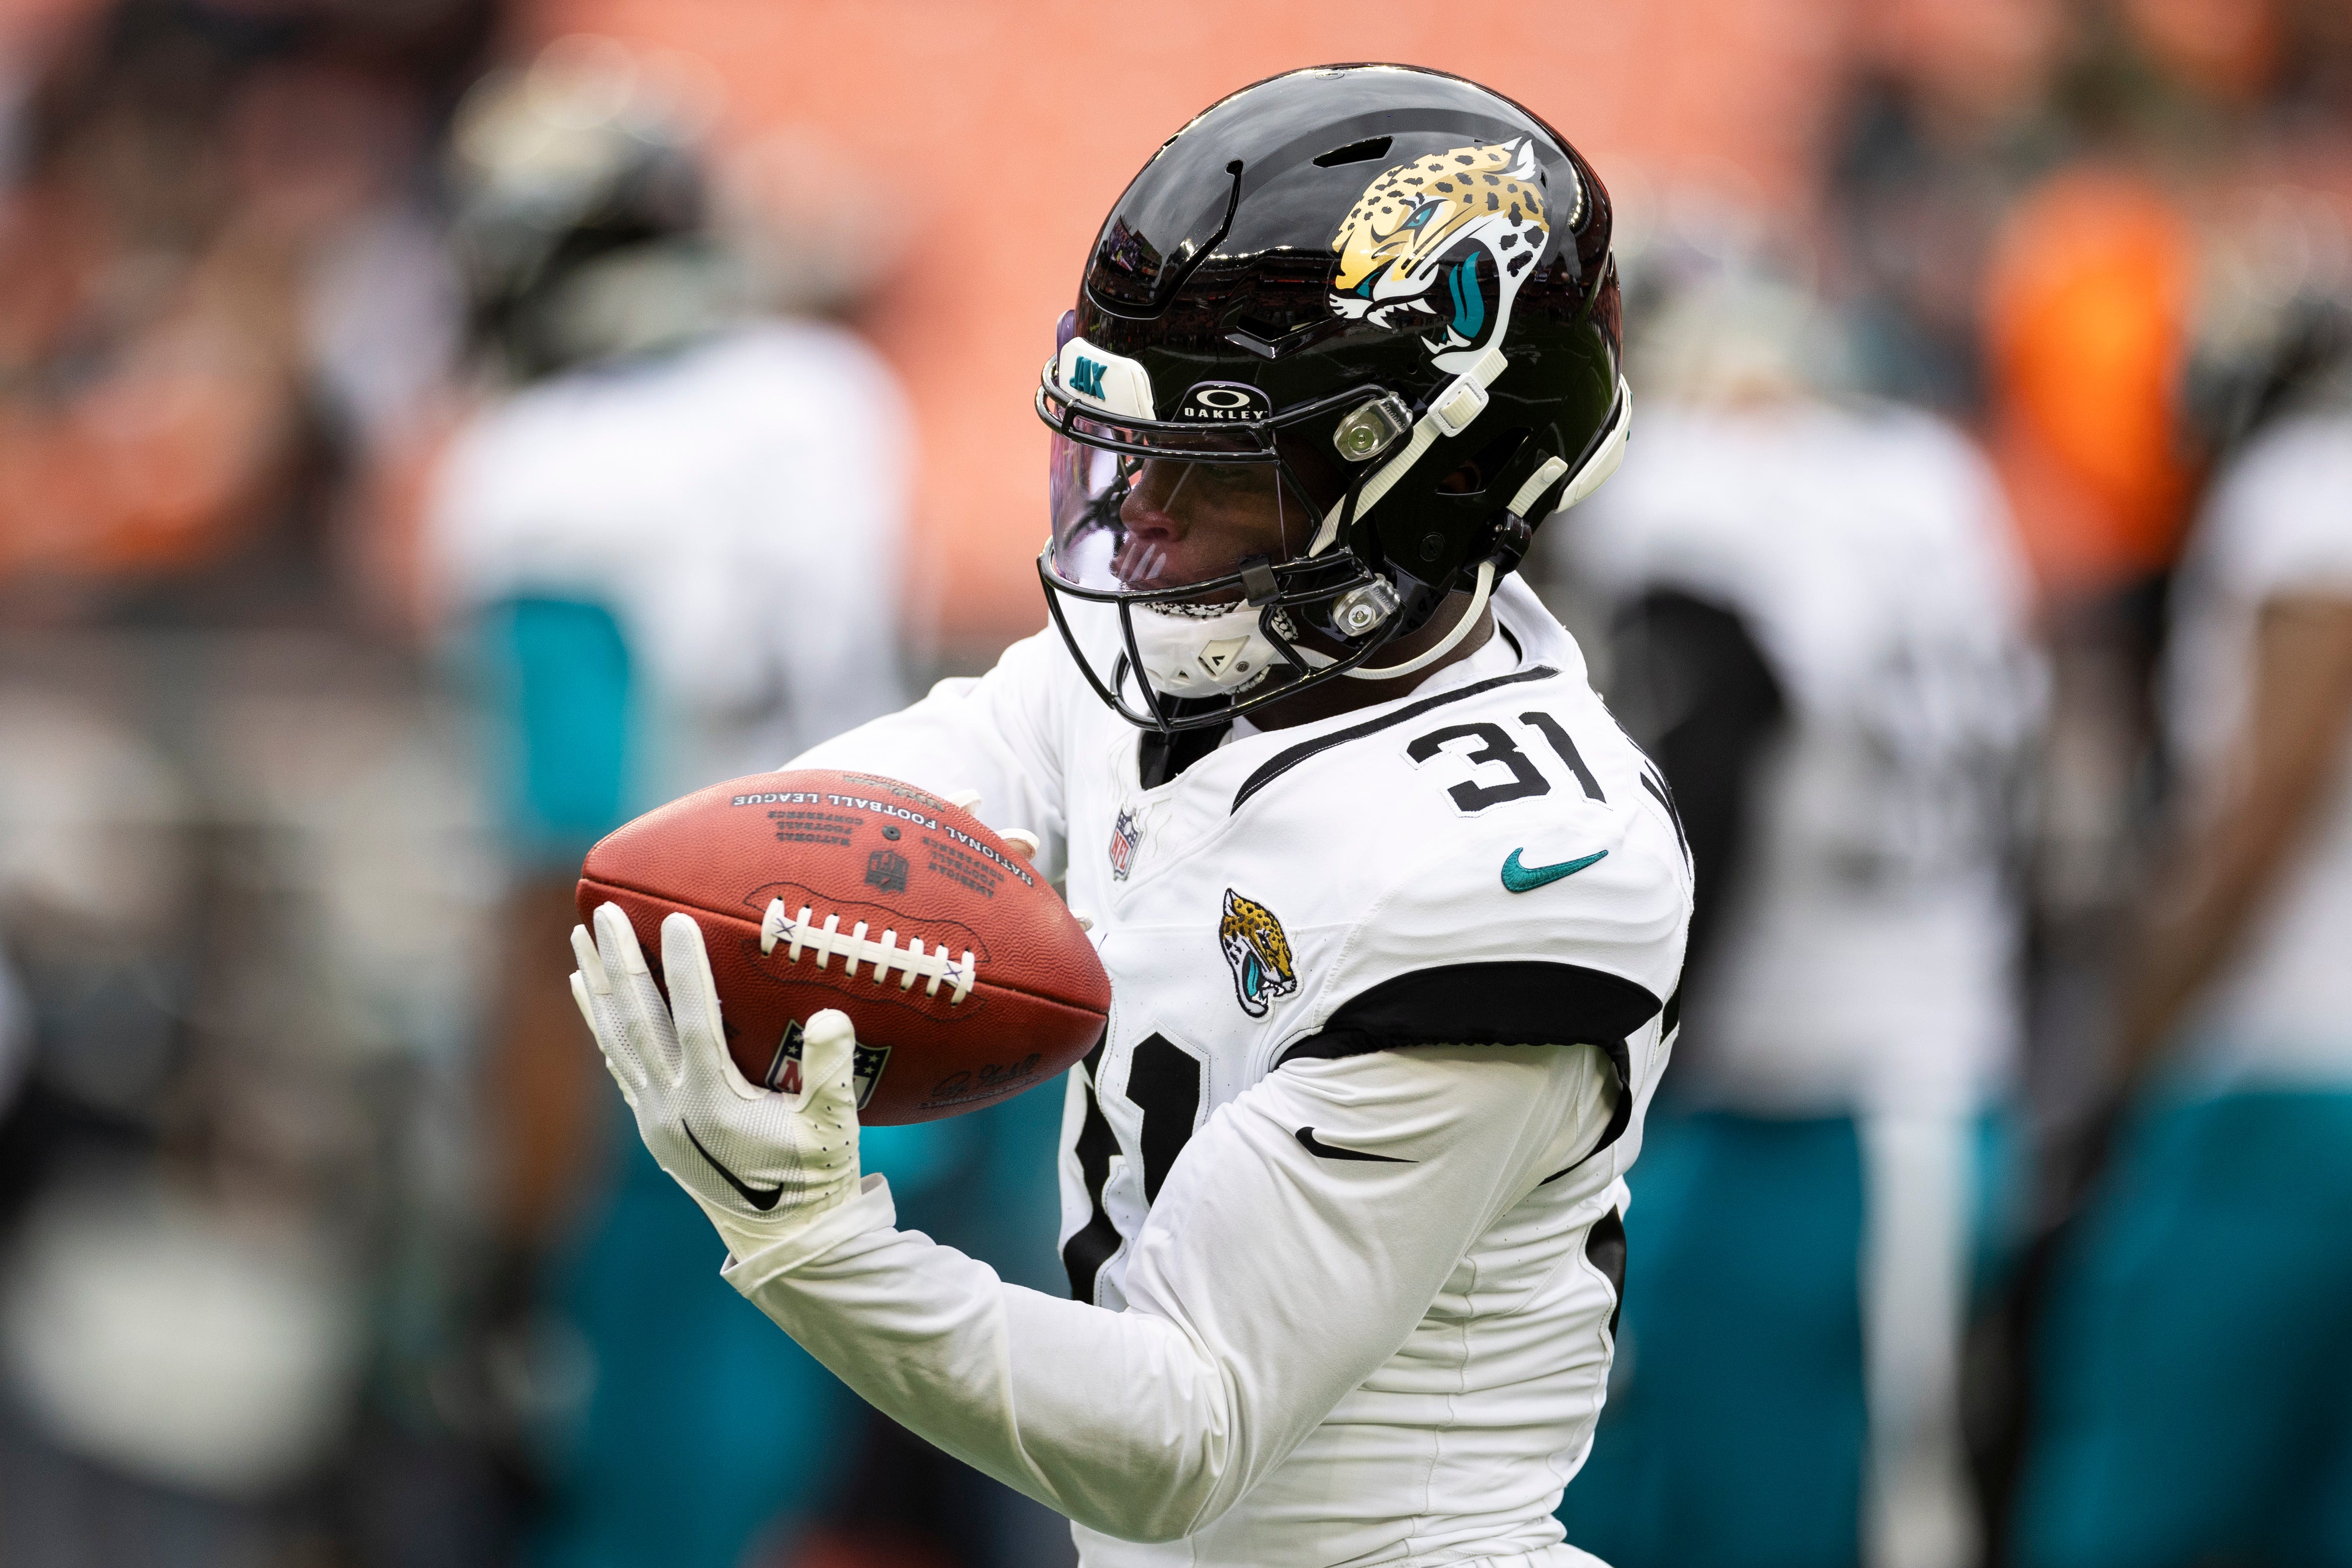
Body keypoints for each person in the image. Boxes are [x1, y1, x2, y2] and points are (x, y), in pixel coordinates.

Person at [566, 64, 1687, 1568]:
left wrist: (816, 1242)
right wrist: (736, 936)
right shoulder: (1193, 666)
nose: (1138, 515)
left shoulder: (1521, 866)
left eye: (1212, 469)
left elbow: (1187, 1434)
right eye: (1129, 447)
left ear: (1422, 486)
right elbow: (861, 818)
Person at [419, 41, 915, 1568]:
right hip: (906, 1006)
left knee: (638, 1509)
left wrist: (507, 1226)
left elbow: (561, 862)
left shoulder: (547, 465)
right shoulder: (824, 393)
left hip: (688, 1053)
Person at [1542, 253, 2044, 1568]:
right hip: (1888, 1073)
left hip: (1838, 1086)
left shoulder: (1707, 496)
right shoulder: (1933, 476)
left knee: (1869, 1513)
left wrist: (1627, 1071)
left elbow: (1710, 795)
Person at [2011, 335, 2352, 1568]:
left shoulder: (2312, 480)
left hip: (2288, 1082)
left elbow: (2267, 801)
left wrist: (2122, 1052)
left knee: (2145, 1502)